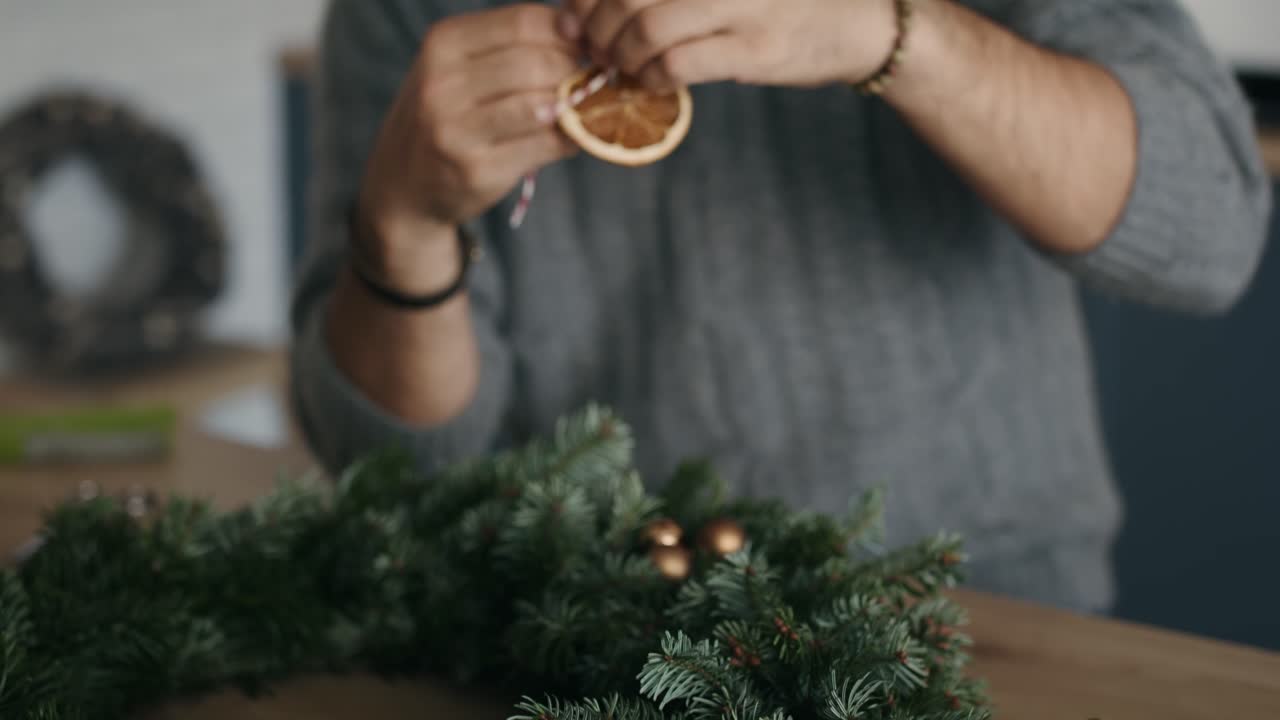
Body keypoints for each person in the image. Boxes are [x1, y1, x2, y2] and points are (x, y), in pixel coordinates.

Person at [289, 0, 1272, 613]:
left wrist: (889, 34)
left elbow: (1208, 226)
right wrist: (404, 226)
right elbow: (398, 476)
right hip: (590, 641)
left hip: (981, 619)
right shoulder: (405, 14)